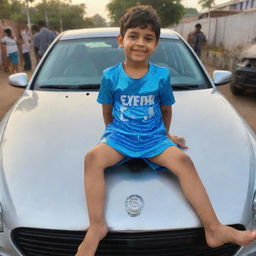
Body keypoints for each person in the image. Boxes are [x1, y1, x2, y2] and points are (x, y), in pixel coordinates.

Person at [75, 5, 256, 256]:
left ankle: (213, 228)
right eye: (134, 36)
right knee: (92, 158)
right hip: (120, 138)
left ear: (156, 44)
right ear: (121, 40)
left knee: (184, 161)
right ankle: (96, 227)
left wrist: (166, 135)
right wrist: (111, 135)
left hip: (153, 139)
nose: (140, 43)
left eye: (148, 38)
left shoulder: (161, 76)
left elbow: (166, 110)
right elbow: (107, 110)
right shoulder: (110, 76)